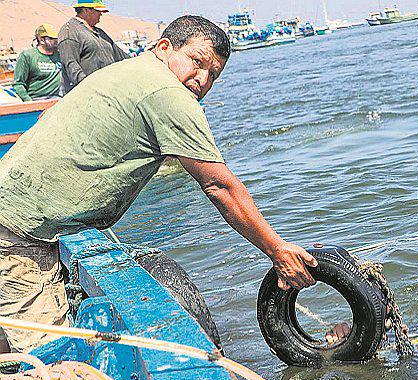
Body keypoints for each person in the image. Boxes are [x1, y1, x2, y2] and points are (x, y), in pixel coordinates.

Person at [0, 15, 316, 354]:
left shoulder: (128, 71)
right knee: (53, 365)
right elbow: (219, 187)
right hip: (19, 237)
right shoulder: (168, 92)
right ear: (164, 47)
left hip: (16, 216)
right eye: (197, 62)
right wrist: (277, 250)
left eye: (214, 75)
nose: (202, 79)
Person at [58, 1, 129, 94]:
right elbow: (71, 65)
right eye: (98, 11)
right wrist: (89, 87)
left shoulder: (101, 33)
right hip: (85, 94)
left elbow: (122, 56)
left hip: (108, 91)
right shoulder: (70, 31)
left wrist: (143, 58)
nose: (101, 14)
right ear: (86, 10)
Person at [12, 24, 62, 101]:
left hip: (57, 99)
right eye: (52, 38)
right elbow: (18, 84)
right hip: (36, 99)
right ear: (41, 40)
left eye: (57, 38)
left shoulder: (60, 55)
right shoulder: (27, 56)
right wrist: (29, 101)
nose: (56, 41)